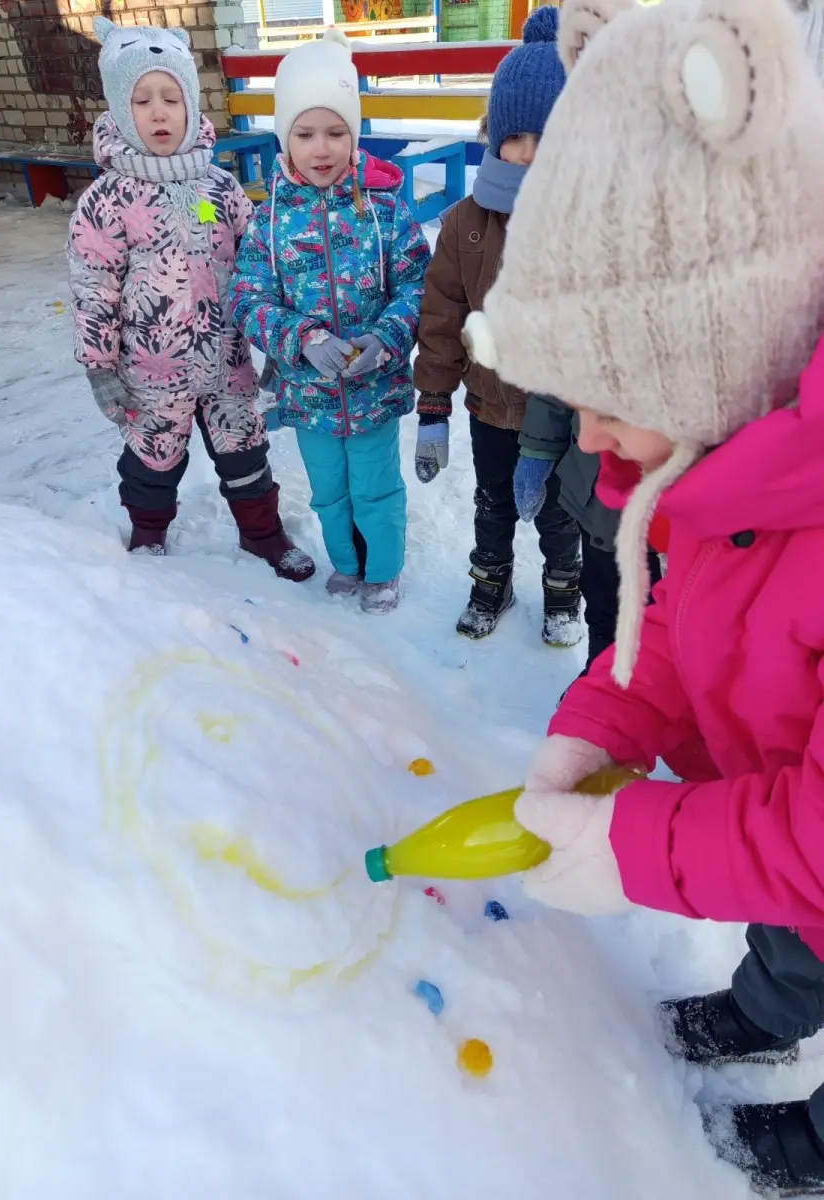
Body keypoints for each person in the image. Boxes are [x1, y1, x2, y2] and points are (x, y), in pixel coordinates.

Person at [462, 0, 824, 1191]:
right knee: (795, 935)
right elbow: (684, 626)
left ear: (718, 350)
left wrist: (634, 847)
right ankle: (768, 1010)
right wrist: (602, 722)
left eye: (608, 398)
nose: (588, 436)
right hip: (794, 867)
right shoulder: (725, 463)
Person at [67, 18, 314, 580]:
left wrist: (277, 339)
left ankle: (263, 535)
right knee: (153, 461)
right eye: (143, 100)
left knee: (245, 452)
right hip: (152, 372)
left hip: (227, 360)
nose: (159, 112)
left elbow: (261, 266)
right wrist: (99, 366)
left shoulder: (220, 188)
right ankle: (148, 533)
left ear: (191, 105)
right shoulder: (108, 200)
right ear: (120, 109)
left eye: (171, 98)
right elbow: (93, 287)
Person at [231, 30, 430, 613]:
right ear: (284, 138)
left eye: (336, 132)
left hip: (372, 390)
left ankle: (383, 570)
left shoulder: (384, 208)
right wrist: (303, 338)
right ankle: (346, 562)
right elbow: (247, 296)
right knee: (329, 492)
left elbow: (418, 286)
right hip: (309, 392)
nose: (322, 149)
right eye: (305, 133)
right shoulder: (269, 219)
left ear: (355, 135)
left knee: (375, 488)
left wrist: (385, 338)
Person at [413, 6, 582, 642]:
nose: (530, 154)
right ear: (493, 136)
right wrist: (434, 406)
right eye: (517, 137)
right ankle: (491, 583)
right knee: (494, 504)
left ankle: (563, 591)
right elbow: (442, 314)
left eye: (548, 137)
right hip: (489, 406)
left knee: (560, 513)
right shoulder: (466, 222)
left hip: (562, 416)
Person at [515, 396, 663, 670]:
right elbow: (560, 379)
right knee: (603, 605)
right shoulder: (595, 444)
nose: (587, 440)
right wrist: (539, 446)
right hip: (598, 498)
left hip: (675, 523)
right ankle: (599, 673)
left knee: (664, 632)